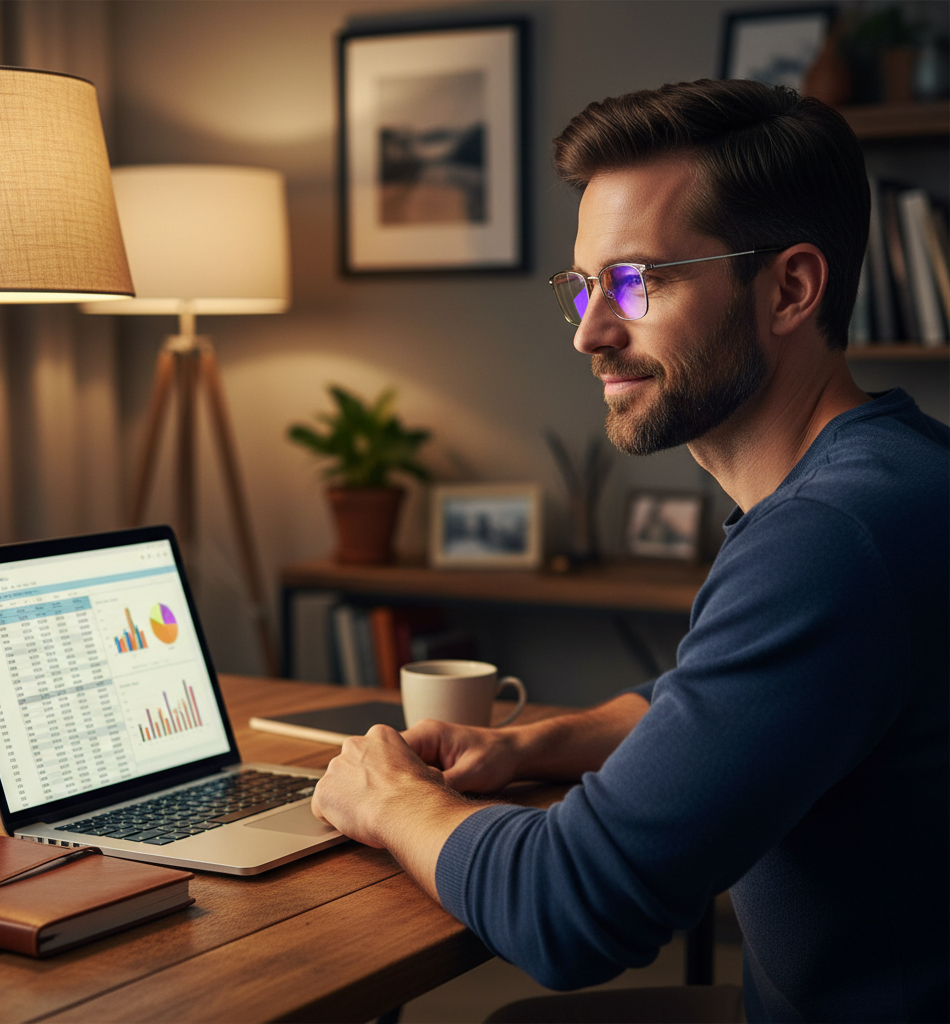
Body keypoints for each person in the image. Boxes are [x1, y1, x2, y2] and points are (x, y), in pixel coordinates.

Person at [311, 79, 949, 1023]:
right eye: (584, 284)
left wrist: (391, 799)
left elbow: (573, 911)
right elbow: (725, 694)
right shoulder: (894, 473)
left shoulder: (829, 539)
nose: (590, 331)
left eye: (636, 282)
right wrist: (532, 744)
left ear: (791, 288)